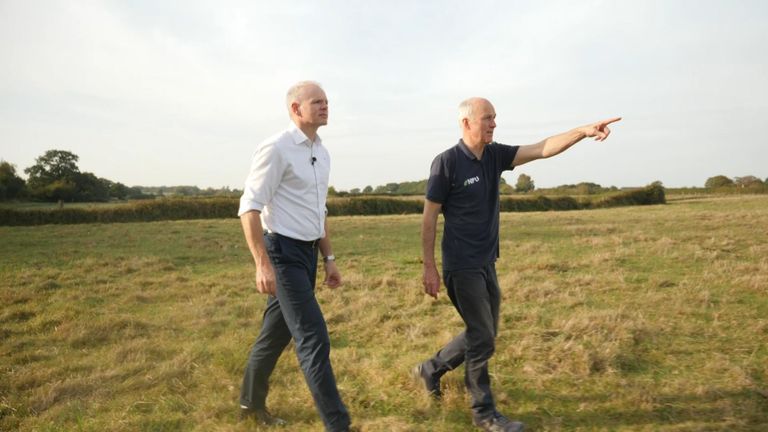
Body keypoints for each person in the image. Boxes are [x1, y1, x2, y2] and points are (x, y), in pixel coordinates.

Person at [414, 97, 621, 432]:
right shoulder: (447, 162)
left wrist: (582, 132)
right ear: (466, 123)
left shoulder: (495, 156)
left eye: (495, 118)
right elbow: (429, 217)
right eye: (487, 118)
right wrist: (429, 267)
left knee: (484, 332)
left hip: (486, 262)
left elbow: (541, 148)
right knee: (483, 338)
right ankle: (484, 414)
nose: (494, 124)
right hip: (461, 266)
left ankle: (431, 369)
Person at [237, 81, 353, 432]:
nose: (325, 106)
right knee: (313, 336)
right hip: (282, 254)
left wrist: (329, 258)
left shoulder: (322, 151)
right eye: (316, 102)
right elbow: (249, 208)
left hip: (307, 256)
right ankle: (339, 424)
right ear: (295, 109)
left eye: (327, 101)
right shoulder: (276, 148)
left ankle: (249, 403)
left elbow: (318, 212)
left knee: (275, 334)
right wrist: (262, 263)